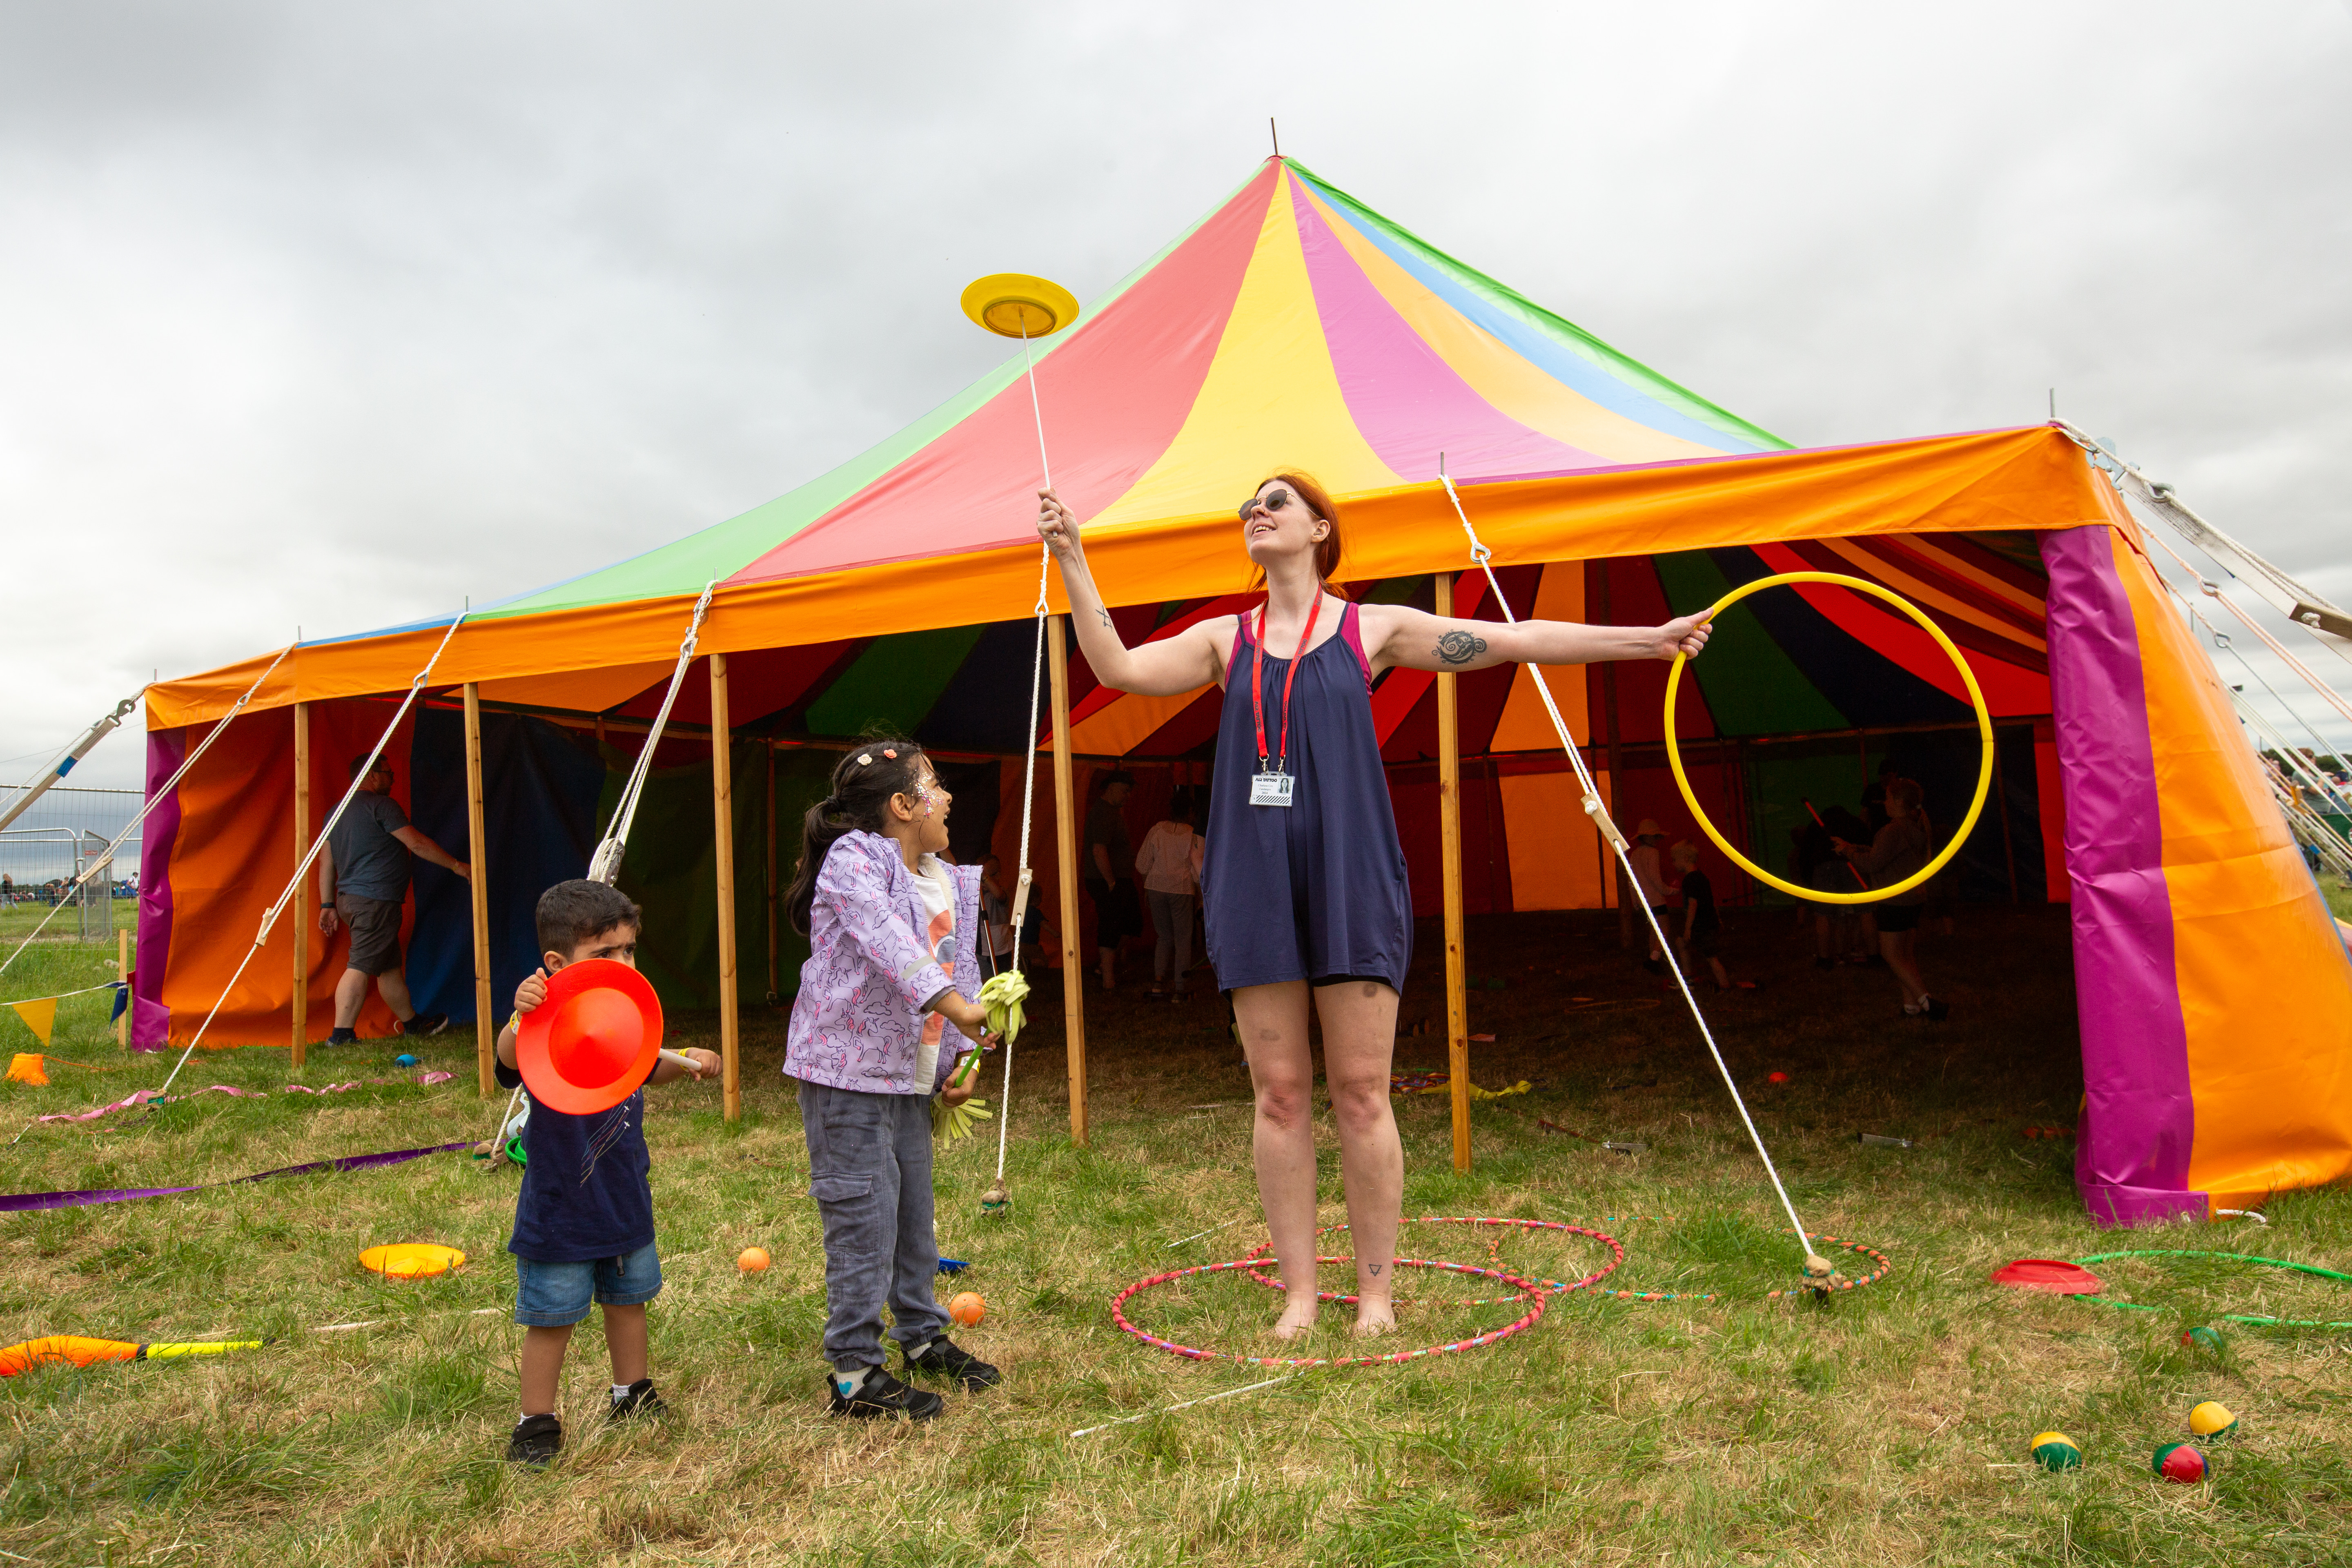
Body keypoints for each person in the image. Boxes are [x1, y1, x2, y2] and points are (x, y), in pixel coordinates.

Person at [1038, 473, 1710, 1338]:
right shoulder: (1222, 641)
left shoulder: (1374, 629)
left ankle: (1378, 1297)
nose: (1257, 510)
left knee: (1361, 1093)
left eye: (1276, 501)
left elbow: (1512, 640)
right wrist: (1074, 560)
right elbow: (1119, 669)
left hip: (1353, 876)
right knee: (1279, 1095)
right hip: (1254, 883)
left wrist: (1648, 640)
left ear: (1321, 529)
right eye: (1249, 502)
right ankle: (1299, 1298)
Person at [782, 739, 1001, 1420]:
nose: (949, 798)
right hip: (846, 1079)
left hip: (907, 1080)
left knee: (913, 1220)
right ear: (904, 806)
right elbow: (890, 946)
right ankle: (853, 1374)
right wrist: (959, 1007)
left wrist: (954, 1066)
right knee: (863, 1220)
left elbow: (952, 970)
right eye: (935, 785)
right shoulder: (855, 862)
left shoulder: (943, 876)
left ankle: (922, 1336)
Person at [495, 880, 720, 1467]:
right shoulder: (543, 1020)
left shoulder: (620, 1021)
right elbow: (507, 1059)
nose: (623, 963)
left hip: (623, 1194)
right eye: (606, 953)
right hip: (560, 1207)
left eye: (629, 950)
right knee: (553, 1316)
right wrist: (520, 1016)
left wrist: (688, 1061)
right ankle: (536, 1421)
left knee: (629, 1300)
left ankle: (632, 1392)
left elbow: (647, 1067)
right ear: (557, 963)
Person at [316, 755, 470, 1043]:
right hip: (375, 900)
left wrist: (328, 905)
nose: (393, 779)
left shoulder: (335, 812)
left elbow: (326, 862)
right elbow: (417, 843)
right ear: (373, 775)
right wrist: (457, 866)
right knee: (360, 965)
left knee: (387, 967)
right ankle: (340, 1036)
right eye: (389, 773)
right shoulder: (382, 806)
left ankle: (412, 1024)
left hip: (350, 900)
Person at [1834, 777, 1947, 1018]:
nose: (1883, 803)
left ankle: (1928, 1003)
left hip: (1894, 901)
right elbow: (1889, 855)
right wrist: (1852, 846)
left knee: (1891, 955)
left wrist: (1848, 852)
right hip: (1914, 898)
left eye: (1887, 798)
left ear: (1897, 801)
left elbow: (1873, 863)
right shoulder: (1918, 824)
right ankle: (1911, 1008)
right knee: (1905, 955)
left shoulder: (1893, 829)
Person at [1134, 785, 1206, 1001]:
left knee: (1164, 937)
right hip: (1181, 890)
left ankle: (1158, 983)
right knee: (1183, 939)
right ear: (1190, 812)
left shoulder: (1157, 830)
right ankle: (1180, 988)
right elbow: (1197, 872)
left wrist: (1152, 880)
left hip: (1156, 888)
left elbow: (1142, 863)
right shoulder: (1192, 835)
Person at [1083, 771, 1141, 991]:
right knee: (1111, 925)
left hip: (1120, 879)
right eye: (1126, 790)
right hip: (1106, 880)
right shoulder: (1102, 813)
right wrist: (1110, 882)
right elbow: (1099, 850)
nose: (1128, 795)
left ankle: (1104, 968)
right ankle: (1108, 980)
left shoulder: (1114, 812)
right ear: (1112, 787)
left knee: (1133, 922)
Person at [1669, 840, 1732, 991]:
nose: (1673, 864)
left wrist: (1688, 928)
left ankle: (1725, 985)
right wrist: (1719, 920)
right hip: (1708, 922)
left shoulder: (1690, 880)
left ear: (1685, 858)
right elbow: (1711, 901)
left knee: (1711, 957)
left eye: (1674, 860)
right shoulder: (1702, 877)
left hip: (1700, 925)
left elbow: (1693, 904)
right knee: (1681, 942)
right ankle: (1688, 977)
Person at [1629, 820, 1670, 972]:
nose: (1656, 840)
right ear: (1646, 837)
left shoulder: (1635, 854)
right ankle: (1654, 957)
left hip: (1644, 899)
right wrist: (1668, 890)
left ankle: (1652, 958)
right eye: (1654, 836)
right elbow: (1655, 877)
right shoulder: (1653, 853)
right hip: (1656, 898)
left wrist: (1635, 899)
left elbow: (1631, 879)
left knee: (1654, 928)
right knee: (1664, 927)